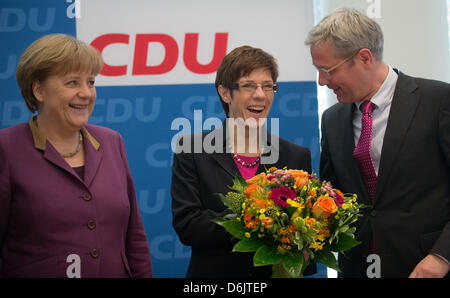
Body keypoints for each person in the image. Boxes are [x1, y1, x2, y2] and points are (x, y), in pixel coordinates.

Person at [305, 7, 450, 278]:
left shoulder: (439, 101)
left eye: (327, 70)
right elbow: (332, 197)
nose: (322, 81)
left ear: (364, 58)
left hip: (428, 267)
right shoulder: (332, 119)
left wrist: (442, 256)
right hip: (358, 268)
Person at [0, 34, 153, 278]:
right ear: (38, 89)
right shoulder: (6, 148)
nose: (86, 93)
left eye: (90, 82)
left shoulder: (112, 141)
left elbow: (133, 237)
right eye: (72, 83)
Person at [171, 45, 316, 278]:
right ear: (225, 93)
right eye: (249, 86)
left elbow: (306, 236)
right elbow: (188, 226)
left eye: (268, 86)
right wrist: (255, 216)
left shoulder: (296, 156)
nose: (260, 95)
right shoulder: (192, 150)